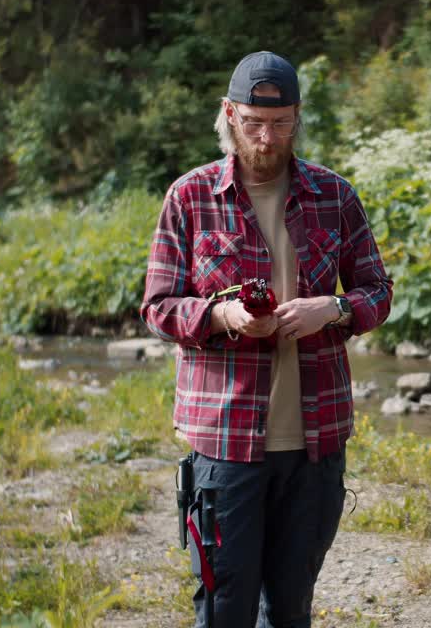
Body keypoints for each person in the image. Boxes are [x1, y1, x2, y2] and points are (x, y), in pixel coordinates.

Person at [141, 50, 392, 628]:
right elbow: (158, 307)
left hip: (315, 443)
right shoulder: (190, 196)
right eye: (252, 121)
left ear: (298, 119)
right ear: (228, 114)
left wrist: (332, 308)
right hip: (224, 444)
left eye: (280, 123)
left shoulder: (335, 196)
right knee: (224, 607)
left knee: (290, 611)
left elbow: (377, 291)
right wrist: (223, 318)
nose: (265, 136)